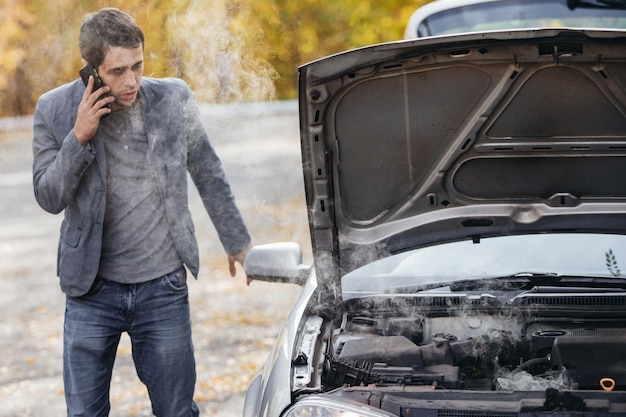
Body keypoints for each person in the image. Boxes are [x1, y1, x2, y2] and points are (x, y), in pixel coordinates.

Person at [32, 7, 251, 417]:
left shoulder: (173, 98)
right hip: (91, 291)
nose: (130, 81)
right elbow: (48, 197)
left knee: (176, 410)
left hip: (161, 288)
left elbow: (208, 171)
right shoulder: (55, 110)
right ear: (91, 70)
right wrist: (78, 137)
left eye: (138, 65)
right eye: (117, 71)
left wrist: (237, 241)